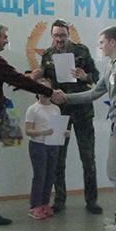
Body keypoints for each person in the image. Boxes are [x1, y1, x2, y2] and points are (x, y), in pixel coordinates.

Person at [54, 26, 116, 231]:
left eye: (102, 42)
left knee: (114, 170)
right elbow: (94, 93)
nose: (100, 46)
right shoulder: (112, 65)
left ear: (113, 42)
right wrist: (67, 98)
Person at [0, 23, 57, 226]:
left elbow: (6, 81)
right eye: (5, 37)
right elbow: (16, 79)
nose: (7, 41)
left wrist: (24, 80)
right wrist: (50, 92)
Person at [30, 19, 102, 215]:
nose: (59, 39)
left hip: (83, 111)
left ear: (68, 35)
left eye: (62, 35)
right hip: (58, 112)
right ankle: (59, 200)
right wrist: (37, 77)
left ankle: (92, 200)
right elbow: (46, 82)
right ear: (51, 36)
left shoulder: (82, 51)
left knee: (88, 157)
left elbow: (96, 76)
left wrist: (85, 76)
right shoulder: (47, 54)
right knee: (57, 159)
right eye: (56, 36)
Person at [24, 78, 65, 220]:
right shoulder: (33, 109)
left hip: (53, 145)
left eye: (47, 89)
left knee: (50, 175)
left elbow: (57, 128)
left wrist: (63, 132)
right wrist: (44, 132)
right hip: (38, 145)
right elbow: (28, 131)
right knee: (40, 175)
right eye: (41, 89)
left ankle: (44, 203)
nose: (44, 93)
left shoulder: (56, 109)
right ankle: (35, 205)